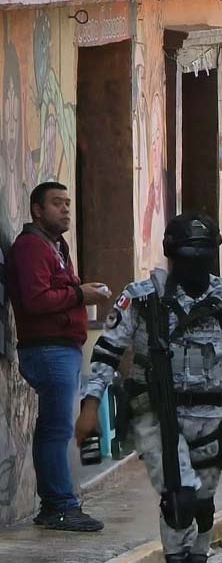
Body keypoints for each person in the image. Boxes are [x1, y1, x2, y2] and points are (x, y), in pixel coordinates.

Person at [76, 213, 222, 563]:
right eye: (189, 255)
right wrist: (90, 406)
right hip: (155, 412)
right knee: (179, 499)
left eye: (203, 254)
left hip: (210, 416)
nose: (196, 263)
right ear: (172, 254)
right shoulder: (142, 298)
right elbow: (107, 352)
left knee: (202, 505)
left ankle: (198, 554)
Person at [6, 181, 112, 532]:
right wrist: (80, 294)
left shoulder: (55, 245)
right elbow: (35, 300)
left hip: (62, 347)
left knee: (54, 428)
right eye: (56, 203)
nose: (66, 209)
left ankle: (56, 503)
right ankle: (60, 506)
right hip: (47, 348)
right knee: (56, 430)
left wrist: (80, 292)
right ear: (37, 210)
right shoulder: (32, 246)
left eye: (67, 203)